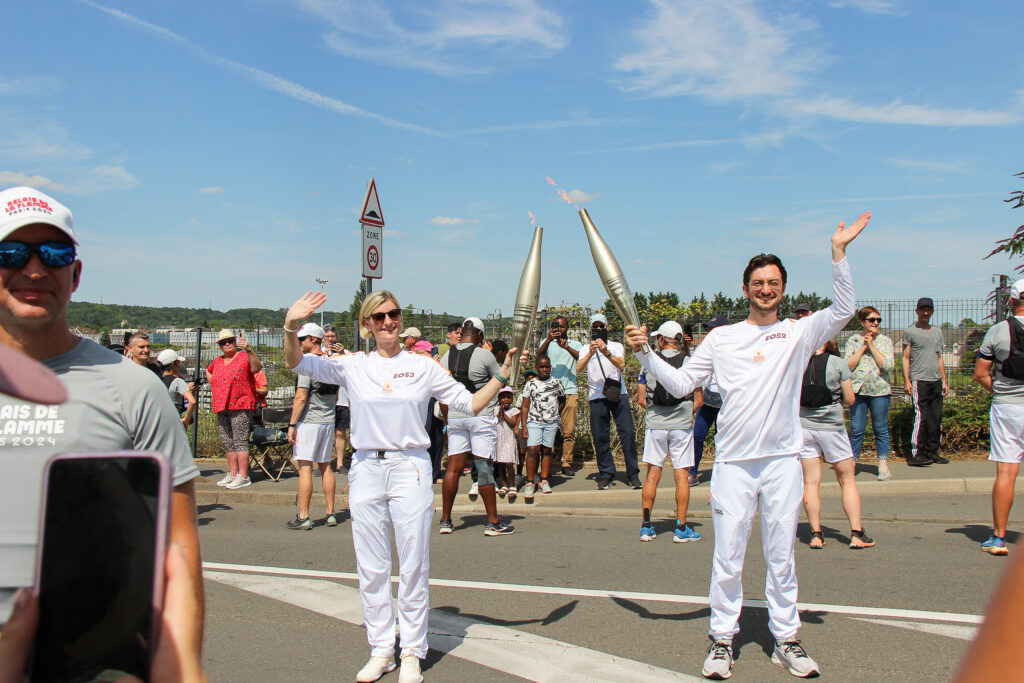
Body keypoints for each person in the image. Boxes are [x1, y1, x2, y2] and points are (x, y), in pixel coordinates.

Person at [625, 211, 870, 680]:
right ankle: (722, 639)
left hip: (782, 461)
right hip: (735, 465)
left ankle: (787, 638)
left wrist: (838, 255)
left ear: (782, 288)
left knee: (782, 555)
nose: (765, 289)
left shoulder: (799, 333)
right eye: (757, 282)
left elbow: (843, 310)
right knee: (728, 556)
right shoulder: (722, 338)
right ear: (745, 289)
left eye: (773, 282)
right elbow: (678, 385)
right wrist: (644, 352)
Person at [0, 187, 203, 659]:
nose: (34, 269)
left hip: (91, 658)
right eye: (12, 252)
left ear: (75, 274)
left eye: (54, 253)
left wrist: (181, 664)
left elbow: (178, 548)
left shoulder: (134, 388)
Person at [283, 289, 519, 683]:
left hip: (410, 467)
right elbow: (295, 362)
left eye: (393, 314)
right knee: (372, 566)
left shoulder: (423, 366)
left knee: (412, 564)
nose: (388, 322)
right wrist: (291, 326)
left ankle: (411, 650)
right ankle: (381, 650)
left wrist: (501, 376)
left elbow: (469, 404)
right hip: (366, 468)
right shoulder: (350, 365)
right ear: (367, 326)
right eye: (379, 317)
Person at [438, 318, 514, 535]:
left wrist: (446, 418)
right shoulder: (484, 354)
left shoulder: (447, 355)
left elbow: (442, 388)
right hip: (480, 414)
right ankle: (492, 521)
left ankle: (446, 520)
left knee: (454, 467)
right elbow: (501, 380)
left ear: (462, 333)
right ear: (480, 335)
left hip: (454, 414)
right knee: (483, 466)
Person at [799, 341, 875, 550]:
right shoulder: (838, 363)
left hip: (804, 427)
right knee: (847, 479)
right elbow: (850, 399)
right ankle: (857, 533)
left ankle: (815, 534)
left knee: (811, 483)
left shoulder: (798, 363)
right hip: (832, 429)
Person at [636, 321, 702, 544]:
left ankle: (646, 526)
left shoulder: (650, 363)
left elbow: (641, 399)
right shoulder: (688, 362)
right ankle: (681, 527)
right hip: (682, 425)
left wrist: (656, 413)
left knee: (653, 474)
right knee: (681, 475)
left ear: (662, 340)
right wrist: (684, 413)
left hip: (656, 423)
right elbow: (698, 399)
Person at [973, 280, 1024, 556]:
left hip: (1007, 408)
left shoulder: (997, 331)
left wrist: (1002, 390)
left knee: (1006, 473)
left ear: (1011, 301)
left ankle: (999, 538)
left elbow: (981, 373)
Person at [286, 322, 340, 530]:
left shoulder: (306, 363)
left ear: (313, 340)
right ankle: (330, 513)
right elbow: (334, 395)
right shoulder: (329, 362)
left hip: (309, 421)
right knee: (326, 465)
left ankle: (304, 515)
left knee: (305, 467)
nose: (299, 343)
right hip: (328, 419)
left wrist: (292, 423)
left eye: (302, 339)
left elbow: (301, 396)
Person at [578, 313, 641, 490]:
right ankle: (606, 473)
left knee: (627, 433)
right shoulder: (585, 349)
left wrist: (605, 351)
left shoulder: (616, 345)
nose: (598, 329)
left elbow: (621, 364)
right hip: (597, 396)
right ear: (591, 329)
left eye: (601, 326)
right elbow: (578, 368)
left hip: (618, 394)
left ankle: (633, 474)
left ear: (607, 327)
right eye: (595, 327)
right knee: (600, 436)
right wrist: (591, 352)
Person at [206, 328, 262, 489]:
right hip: (221, 404)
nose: (227, 344)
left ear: (235, 342)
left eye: (230, 340)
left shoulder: (243, 356)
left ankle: (243, 475)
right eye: (224, 342)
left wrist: (249, 350)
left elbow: (256, 368)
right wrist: (215, 383)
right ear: (220, 346)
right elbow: (208, 372)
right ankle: (233, 472)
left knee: (240, 440)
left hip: (240, 403)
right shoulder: (217, 361)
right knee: (228, 441)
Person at [844, 306, 895, 480]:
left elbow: (888, 365)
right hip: (858, 391)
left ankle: (883, 465)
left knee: (880, 428)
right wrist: (863, 347)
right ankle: (852, 464)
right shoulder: (853, 340)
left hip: (879, 391)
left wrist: (872, 345)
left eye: (878, 320)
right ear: (862, 322)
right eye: (871, 320)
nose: (875, 323)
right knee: (857, 429)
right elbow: (848, 365)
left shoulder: (885, 341)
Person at [902, 297, 949, 466]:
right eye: (923, 309)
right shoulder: (910, 332)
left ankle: (932, 451)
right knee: (921, 416)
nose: (926, 312)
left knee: (936, 417)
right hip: (919, 379)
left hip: (935, 380)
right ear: (917, 311)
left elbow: (939, 357)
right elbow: (906, 357)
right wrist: (907, 380)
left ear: (932, 311)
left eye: (929, 309)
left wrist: (944, 380)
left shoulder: (937, 332)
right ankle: (917, 453)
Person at [538, 316, 583, 475]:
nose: (559, 329)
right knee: (547, 429)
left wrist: (567, 348)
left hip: (569, 390)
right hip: (550, 392)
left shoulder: (575, 344)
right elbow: (539, 355)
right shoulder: (547, 342)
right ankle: (546, 463)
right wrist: (549, 339)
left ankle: (566, 462)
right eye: (556, 326)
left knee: (569, 430)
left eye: (562, 327)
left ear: (567, 328)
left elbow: (581, 358)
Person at [519, 355, 566, 501]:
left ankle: (544, 480)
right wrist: (524, 425)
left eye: (547, 367)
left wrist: (555, 413)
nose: (544, 370)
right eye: (541, 367)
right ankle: (530, 481)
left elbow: (562, 399)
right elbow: (525, 406)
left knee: (547, 450)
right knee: (532, 450)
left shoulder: (556, 383)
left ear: (550, 368)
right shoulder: (530, 384)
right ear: (537, 368)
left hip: (550, 423)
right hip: (534, 422)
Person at [690, 315, 730, 486]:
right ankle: (692, 473)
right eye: (708, 329)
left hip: (726, 401)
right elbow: (691, 367)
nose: (708, 333)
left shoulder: (734, 350)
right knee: (697, 436)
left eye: (712, 329)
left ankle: (725, 475)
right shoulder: (704, 348)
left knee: (723, 440)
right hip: (707, 400)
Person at [323, 325, 352, 473]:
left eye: (332, 337)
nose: (330, 339)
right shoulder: (319, 353)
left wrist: (340, 353)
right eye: (327, 337)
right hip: (324, 401)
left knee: (340, 432)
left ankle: (340, 463)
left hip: (342, 400)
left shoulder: (345, 353)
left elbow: (353, 369)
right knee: (325, 433)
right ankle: (324, 462)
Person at [158, 348, 197, 430]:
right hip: (174, 421)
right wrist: (186, 419)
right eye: (178, 362)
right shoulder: (178, 381)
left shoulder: (157, 380)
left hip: (159, 421)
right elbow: (192, 401)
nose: (180, 365)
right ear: (173, 364)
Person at [494, 387, 520, 499]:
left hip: (508, 440)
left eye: (508, 397)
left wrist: (503, 415)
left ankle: (512, 485)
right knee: (500, 463)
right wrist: (498, 414)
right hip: (499, 439)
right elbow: (493, 421)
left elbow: (513, 423)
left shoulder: (514, 411)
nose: (506, 400)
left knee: (509, 463)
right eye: (503, 397)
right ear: (499, 399)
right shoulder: (495, 410)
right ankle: (504, 484)